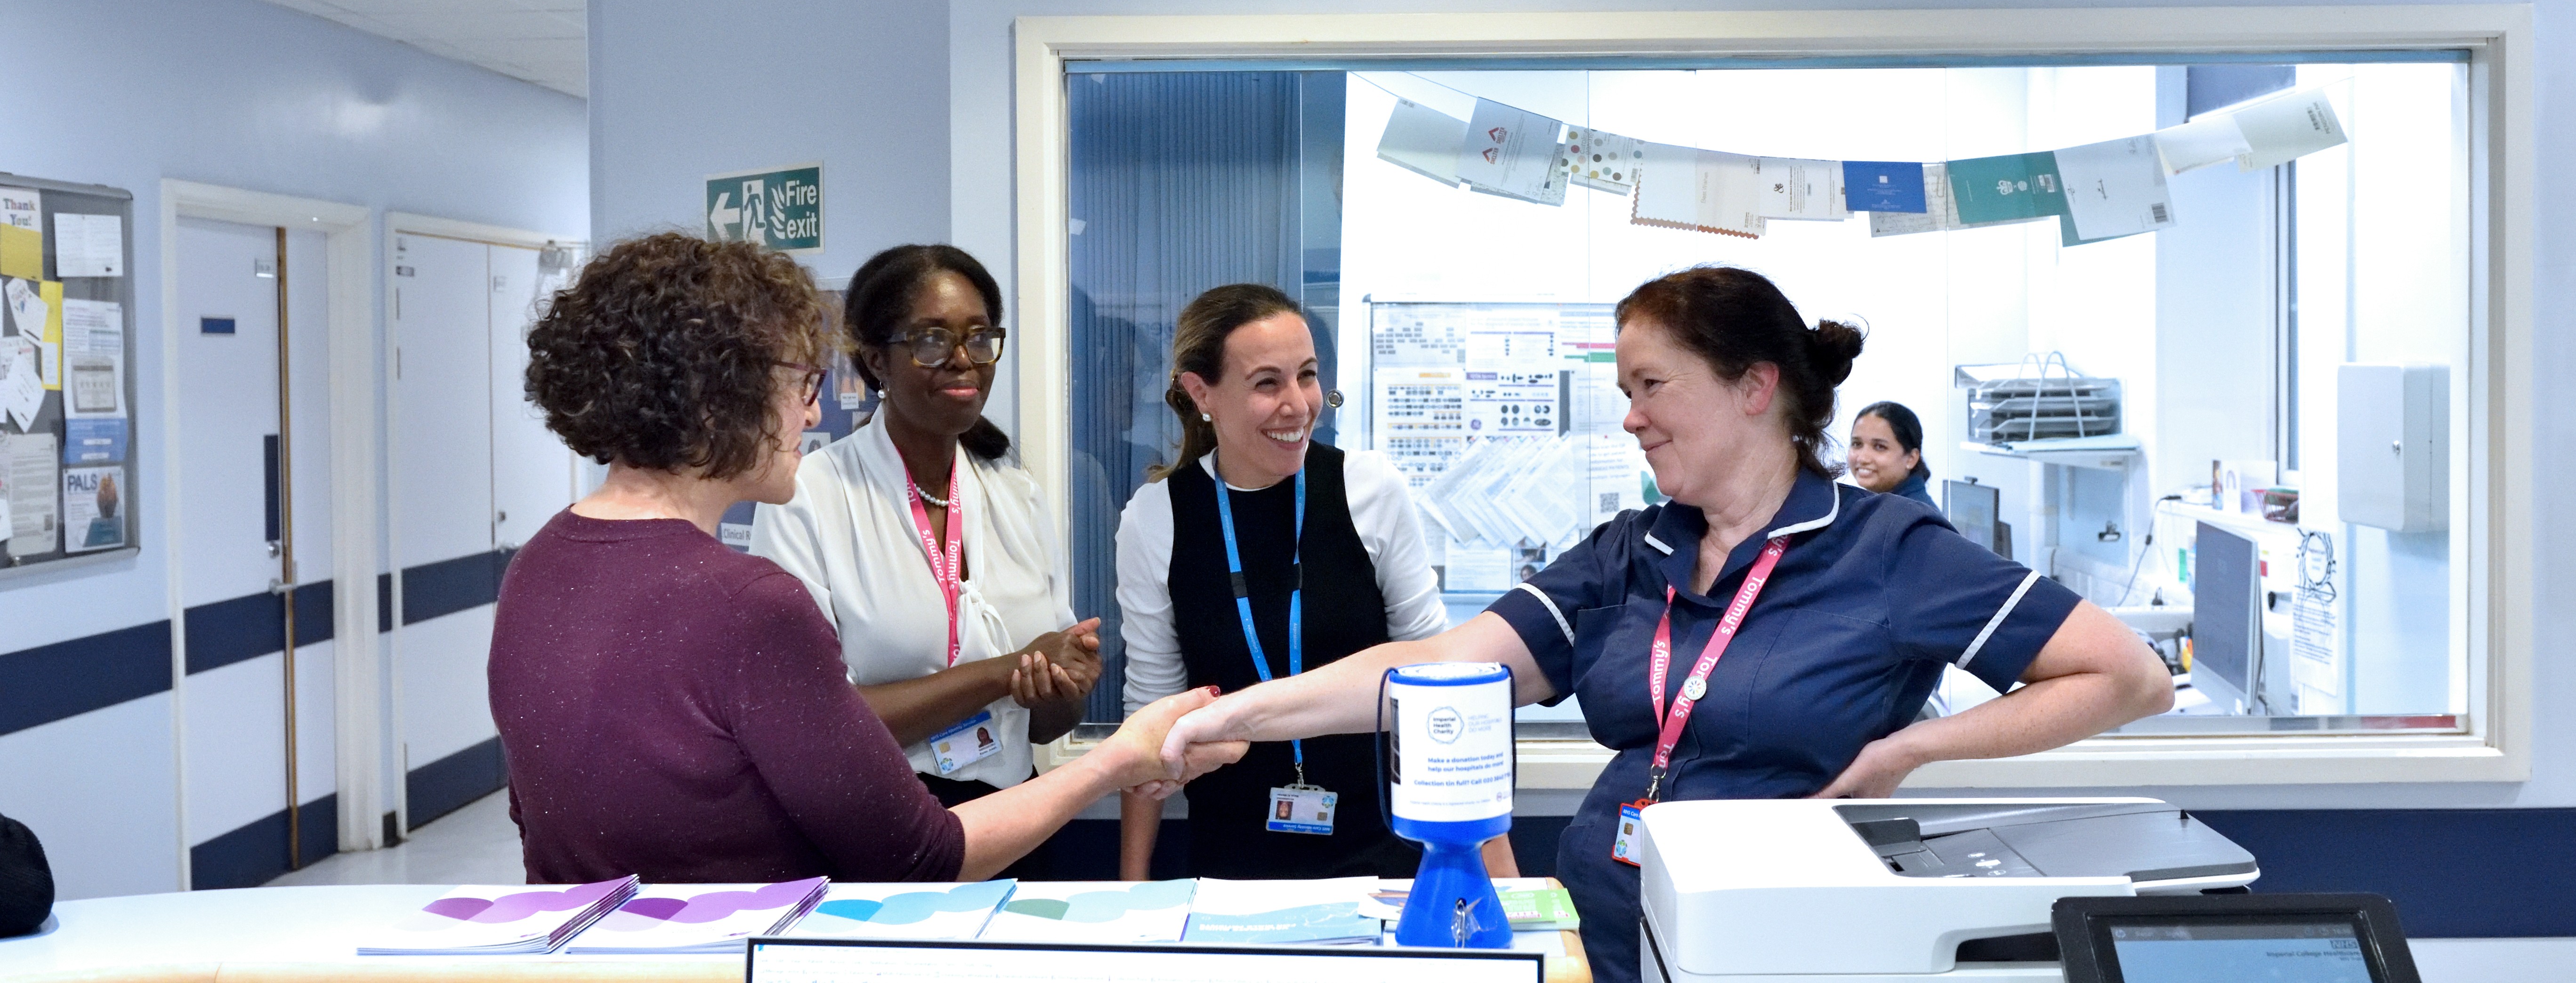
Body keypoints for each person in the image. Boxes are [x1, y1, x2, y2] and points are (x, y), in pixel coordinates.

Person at [1150, 267, 2173, 983]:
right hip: (1602, 932)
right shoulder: (1631, 549)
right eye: (1625, 390)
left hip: (1776, 946)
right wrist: (1231, 715)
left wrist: (1907, 749)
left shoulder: (1886, 550)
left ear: (1753, 388)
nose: (1630, 416)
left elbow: (2125, 677)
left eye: (1650, 387)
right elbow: (1436, 665)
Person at [492, 232, 1241, 884]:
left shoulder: (541, 564)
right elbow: (923, 856)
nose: (815, 411)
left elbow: (546, 820)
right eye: (800, 383)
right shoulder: (750, 602)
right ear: (721, 395)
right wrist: (1119, 757)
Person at [1113, 283, 1514, 881]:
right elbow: (1151, 713)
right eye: (1266, 383)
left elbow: (1439, 678)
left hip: (1388, 854)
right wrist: (1131, 886)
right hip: (1232, 863)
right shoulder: (1156, 518)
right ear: (1202, 393)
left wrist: (1499, 873)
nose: (1298, 405)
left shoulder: (1369, 489)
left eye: (1306, 376)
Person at [747, 244, 1099, 874]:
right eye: (932, 339)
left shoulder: (1015, 492)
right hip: (877, 831)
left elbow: (1046, 726)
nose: (963, 358)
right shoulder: (811, 496)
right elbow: (815, 725)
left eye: (980, 337)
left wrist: (1059, 681)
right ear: (876, 360)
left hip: (1014, 822)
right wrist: (1004, 672)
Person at [1847, 400, 1936, 511]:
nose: (1863, 459)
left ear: (1911, 459)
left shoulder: (1916, 517)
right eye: (1857, 444)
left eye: (1880, 447)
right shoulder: (1878, 506)